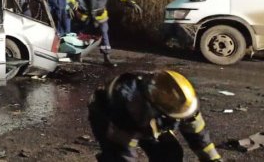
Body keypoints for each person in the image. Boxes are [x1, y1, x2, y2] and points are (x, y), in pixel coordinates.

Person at [88, 69, 222, 161]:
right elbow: (123, 152)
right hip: (105, 113)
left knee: (170, 153)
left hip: (151, 116)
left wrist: (213, 159)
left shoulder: (181, 101)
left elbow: (198, 135)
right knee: (113, 156)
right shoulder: (129, 110)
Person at [66, 0, 142, 67]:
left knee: (104, 35)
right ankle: (76, 55)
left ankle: (107, 57)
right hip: (86, 17)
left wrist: (131, 3)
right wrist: (70, 5)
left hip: (101, 17)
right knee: (81, 36)